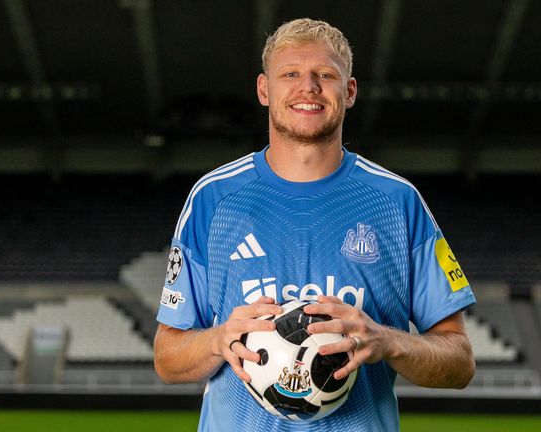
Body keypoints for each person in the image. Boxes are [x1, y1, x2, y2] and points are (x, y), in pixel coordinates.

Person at [154, 18, 476, 431]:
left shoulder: (399, 202)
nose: (308, 87)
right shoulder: (212, 199)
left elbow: (460, 362)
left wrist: (389, 341)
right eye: (290, 74)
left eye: (325, 74)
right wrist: (218, 339)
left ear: (350, 91)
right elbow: (167, 357)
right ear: (264, 90)